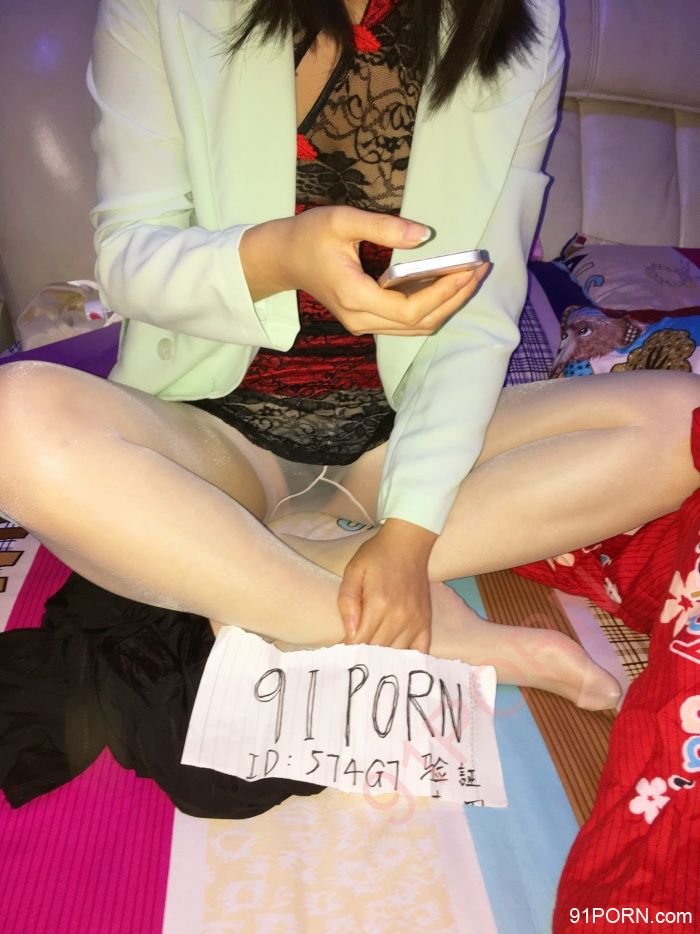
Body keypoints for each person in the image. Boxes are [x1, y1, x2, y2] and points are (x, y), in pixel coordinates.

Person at [1, 0, 699, 814]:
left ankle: (265, 569)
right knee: (17, 417)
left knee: (679, 421)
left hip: (397, 439)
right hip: (219, 437)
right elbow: (128, 257)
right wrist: (279, 257)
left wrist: (408, 532)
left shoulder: (520, 22)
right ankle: (410, 629)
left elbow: (477, 310)